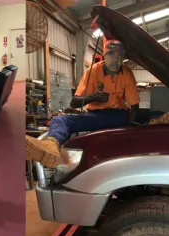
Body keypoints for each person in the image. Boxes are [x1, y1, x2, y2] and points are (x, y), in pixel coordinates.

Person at [26, 40, 140, 168]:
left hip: (118, 117)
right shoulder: (93, 71)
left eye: (119, 55)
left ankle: (159, 119)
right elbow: (74, 102)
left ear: (123, 57)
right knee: (60, 120)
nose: (115, 59)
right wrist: (92, 97)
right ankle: (50, 146)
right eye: (111, 54)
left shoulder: (127, 73)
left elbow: (135, 107)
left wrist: (130, 133)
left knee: (148, 116)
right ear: (104, 56)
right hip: (94, 117)